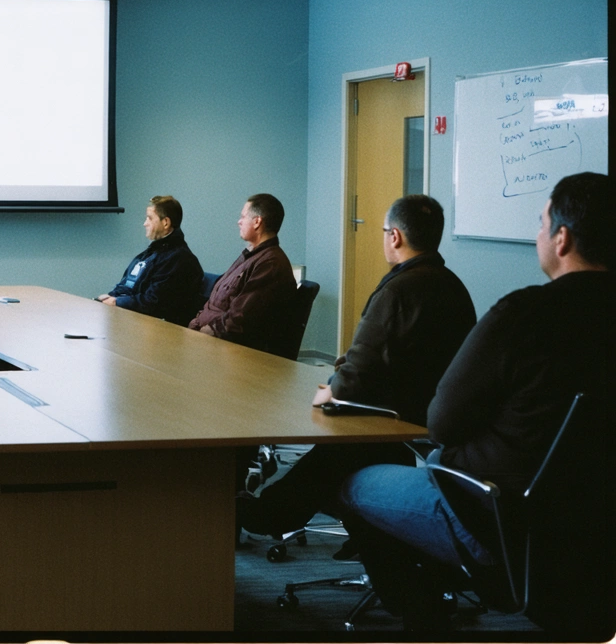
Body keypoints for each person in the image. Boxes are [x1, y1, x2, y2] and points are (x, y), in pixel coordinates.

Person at [338, 173, 612, 633]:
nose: (538, 235)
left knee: (352, 484)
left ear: (562, 239)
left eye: (542, 224)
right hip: (595, 526)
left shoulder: (525, 314)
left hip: (497, 516)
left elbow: (441, 422)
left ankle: (424, 613)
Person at [237, 195, 475, 537]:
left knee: (332, 448)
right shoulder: (454, 287)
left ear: (394, 236)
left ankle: (265, 514)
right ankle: (357, 530)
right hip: (430, 412)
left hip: (388, 413)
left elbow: (361, 366)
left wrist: (332, 391)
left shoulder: (398, 290)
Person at [189, 193, 297, 355]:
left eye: (243, 217)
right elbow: (216, 300)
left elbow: (239, 319)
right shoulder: (251, 256)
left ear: (257, 222)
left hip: (232, 351)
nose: (239, 221)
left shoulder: (270, 263)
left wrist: (198, 335)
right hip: (211, 340)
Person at [97, 195, 203, 325]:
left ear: (165, 223)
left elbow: (153, 302)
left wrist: (117, 302)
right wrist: (112, 297)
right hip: (133, 320)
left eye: (150, 218)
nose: (145, 223)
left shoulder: (179, 260)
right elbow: (127, 284)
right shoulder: (150, 254)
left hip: (158, 330)